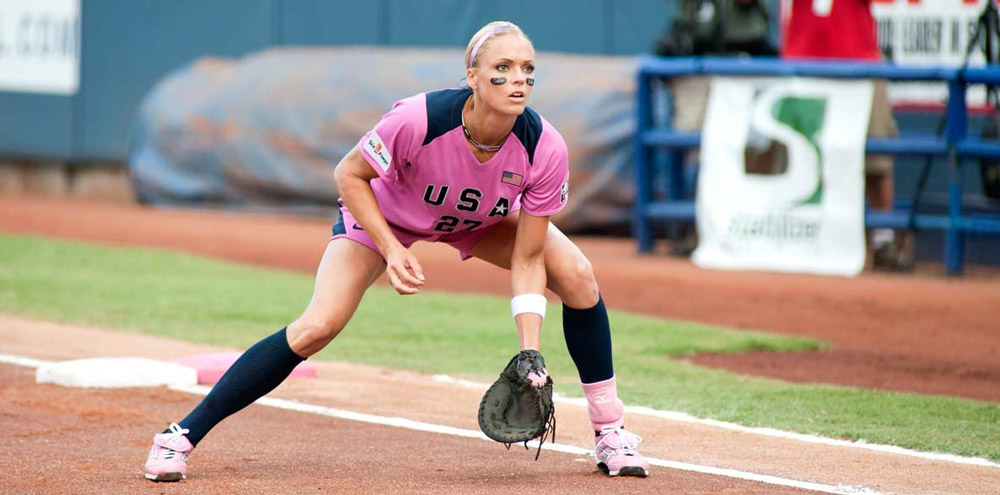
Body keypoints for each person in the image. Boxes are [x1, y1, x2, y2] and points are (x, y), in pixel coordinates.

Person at [143, 20, 650, 482]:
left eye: (527, 70)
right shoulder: (420, 118)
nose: (517, 80)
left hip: (474, 221)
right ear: (471, 76)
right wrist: (389, 248)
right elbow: (349, 174)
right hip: (385, 216)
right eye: (502, 68)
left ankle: (610, 432)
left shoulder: (544, 147)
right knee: (319, 324)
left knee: (579, 276)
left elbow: (528, 257)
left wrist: (528, 350)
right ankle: (179, 436)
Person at [780, 0, 913, 271]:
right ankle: (794, 234)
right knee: (799, 157)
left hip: (859, 62)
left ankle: (882, 239)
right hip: (804, 64)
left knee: (876, 158)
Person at [653, 0, 777, 256]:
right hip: (697, 68)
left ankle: (744, 228)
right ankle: (691, 229)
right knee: (691, 147)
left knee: (743, 150)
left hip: (742, 72)